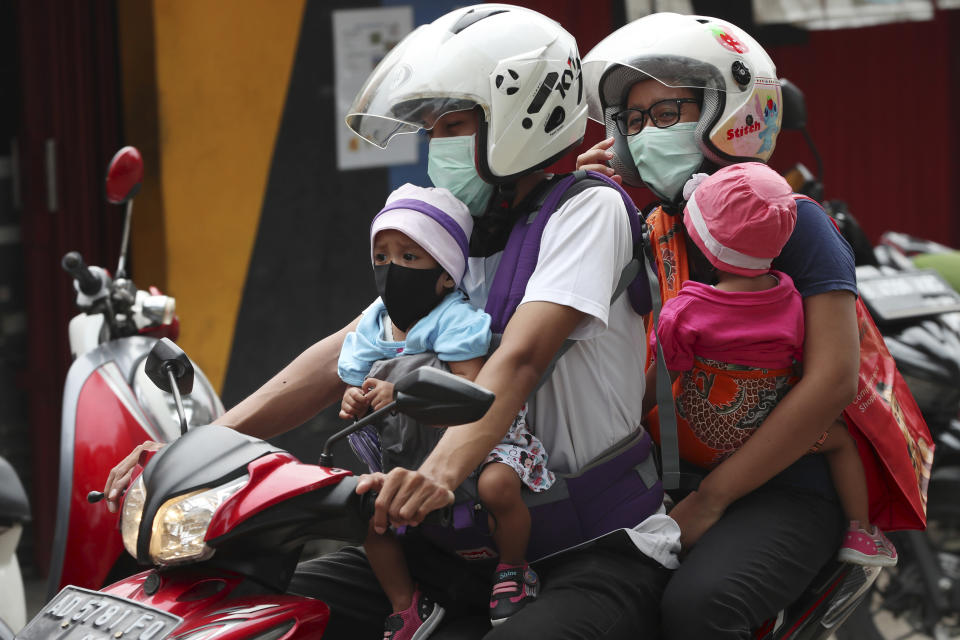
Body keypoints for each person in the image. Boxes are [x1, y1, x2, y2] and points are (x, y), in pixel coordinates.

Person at [104, 5, 677, 639]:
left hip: (586, 551)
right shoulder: (455, 234)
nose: (439, 146)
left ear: (524, 117)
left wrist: (438, 473)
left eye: (454, 125)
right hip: (451, 545)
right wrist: (200, 449)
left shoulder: (587, 212)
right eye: (431, 130)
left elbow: (520, 359)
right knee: (250, 608)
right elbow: (346, 348)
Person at [578, 12, 860, 638]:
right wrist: (577, 199)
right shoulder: (645, 222)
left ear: (726, 114)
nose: (646, 132)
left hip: (783, 486)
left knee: (696, 610)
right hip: (661, 479)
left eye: (667, 112)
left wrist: (713, 499)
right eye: (633, 120)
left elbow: (834, 381)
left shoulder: (794, 221)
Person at [337, 183, 555, 639]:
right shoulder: (372, 325)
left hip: (475, 445)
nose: (393, 269)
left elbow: (472, 395)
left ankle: (514, 569)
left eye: (410, 258)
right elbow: (355, 391)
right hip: (406, 453)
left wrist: (399, 394)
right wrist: (356, 401)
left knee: (497, 486)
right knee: (359, 507)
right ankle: (407, 604)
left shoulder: (454, 319)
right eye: (383, 257)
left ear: (445, 274)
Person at [652, 162, 897, 567]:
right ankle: (862, 532)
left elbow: (664, 375)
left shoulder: (686, 309)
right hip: (766, 429)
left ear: (701, 241)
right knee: (842, 442)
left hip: (702, 432)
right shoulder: (793, 298)